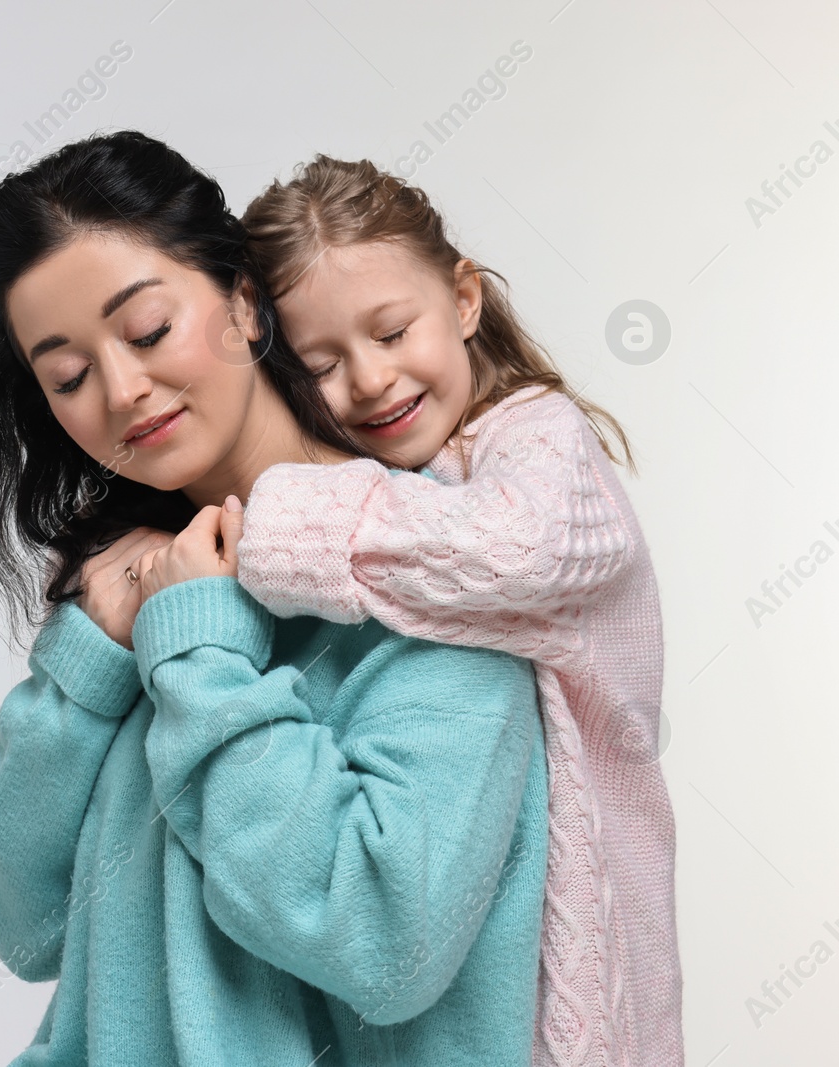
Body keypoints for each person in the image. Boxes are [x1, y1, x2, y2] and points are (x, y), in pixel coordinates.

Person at [0, 129, 549, 1065]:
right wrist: (88, 669)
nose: (121, 389)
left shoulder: (425, 569)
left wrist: (202, 658)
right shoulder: (140, 588)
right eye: (66, 375)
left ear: (243, 305)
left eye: (148, 331)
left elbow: (390, 944)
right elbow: (24, 926)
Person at [234, 155, 684, 1066]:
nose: (370, 380)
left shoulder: (538, 439)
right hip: (464, 969)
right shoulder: (396, 486)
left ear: (464, 299)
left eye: (393, 331)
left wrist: (262, 513)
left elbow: (514, 552)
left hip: (588, 956)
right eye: (322, 362)